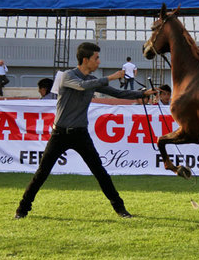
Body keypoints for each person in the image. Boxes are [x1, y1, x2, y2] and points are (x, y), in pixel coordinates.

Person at [15, 42, 156, 219]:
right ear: (85, 59)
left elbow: (118, 94)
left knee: (100, 172)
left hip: (80, 134)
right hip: (59, 134)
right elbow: (82, 86)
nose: (98, 62)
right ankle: (22, 209)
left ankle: (120, 209)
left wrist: (142, 94)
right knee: (42, 174)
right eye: (96, 58)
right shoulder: (67, 76)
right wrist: (111, 77)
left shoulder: (92, 80)